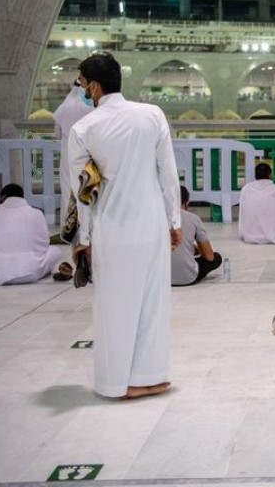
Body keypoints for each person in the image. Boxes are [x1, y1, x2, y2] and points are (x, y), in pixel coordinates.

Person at [68, 51, 181, 400]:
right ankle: (149, 376)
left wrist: (83, 239)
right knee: (152, 305)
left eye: (83, 84)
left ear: (96, 86)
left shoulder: (84, 128)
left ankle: (116, 383)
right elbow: (168, 173)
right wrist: (173, 221)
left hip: (111, 229)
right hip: (152, 226)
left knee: (113, 308)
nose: (83, 91)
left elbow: (83, 192)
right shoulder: (152, 115)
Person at [0, 183, 62, 285]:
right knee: (55, 251)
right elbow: (44, 244)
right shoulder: (36, 213)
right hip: (29, 271)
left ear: (3, 197)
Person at [54, 78, 94, 208]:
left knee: (67, 188)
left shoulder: (62, 109)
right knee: (85, 188)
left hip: (67, 153)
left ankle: (68, 223)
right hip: (85, 153)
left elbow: (57, 134)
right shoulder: (88, 110)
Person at [172, 186, 223, 286]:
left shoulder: (156, 218)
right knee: (216, 258)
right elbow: (209, 256)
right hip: (187, 278)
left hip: (161, 278)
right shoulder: (193, 218)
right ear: (186, 202)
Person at [238, 162, 275, 244]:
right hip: (273, 233)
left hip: (249, 234)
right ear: (270, 175)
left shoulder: (246, 189)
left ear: (255, 175)